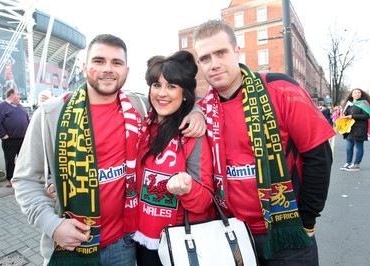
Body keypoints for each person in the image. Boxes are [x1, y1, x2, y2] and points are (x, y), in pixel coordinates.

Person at [11, 34, 206, 266]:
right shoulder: (51, 114)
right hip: (70, 245)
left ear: (126, 70)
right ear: (85, 67)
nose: (108, 69)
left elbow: (173, 99)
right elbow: (24, 180)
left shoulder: (138, 107)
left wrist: (196, 111)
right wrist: (51, 225)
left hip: (122, 245)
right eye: (99, 61)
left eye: (116, 63)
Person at [192, 19, 335, 265]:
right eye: (205, 58)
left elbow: (318, 156)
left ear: (237, 52)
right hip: (231, 234)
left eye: (221, 53)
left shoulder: (280, 88)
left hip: (287, 232)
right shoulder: (202, 109)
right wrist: (192, 109)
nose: (214, 64)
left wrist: (307, 220)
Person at [133, 50, 214, 266]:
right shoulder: (140, 123)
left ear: (185, 93)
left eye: (171, 86)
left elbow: (205, 199)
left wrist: (188, 188)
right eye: (157, 85)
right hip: (139, 239)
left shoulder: (191, 133)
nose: (162, 93)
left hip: (178, 241)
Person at [0, 88, 29, 187]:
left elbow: (26, 120)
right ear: (11, 95)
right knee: (10, 160)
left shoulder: (20, 106)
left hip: (22, 139)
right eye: (18, 94)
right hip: (10, 140)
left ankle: (23, 177)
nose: (19, 96)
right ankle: (10, 179)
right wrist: (3, 135)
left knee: (23, 159)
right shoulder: (2, 107)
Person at [339, 88, 370, 171]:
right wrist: (344, 115)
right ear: (352, 95)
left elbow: (366, 116)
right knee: (349, 147)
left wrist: (352, 116)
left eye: (358, 93)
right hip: (349, 129)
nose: (357, 94)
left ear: (361, 94)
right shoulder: (349, 104)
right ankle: (348, 163)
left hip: (360, 129)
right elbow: (346, 114)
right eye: (355, 93)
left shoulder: (364, 103)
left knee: (359, 147)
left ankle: (356, 164)